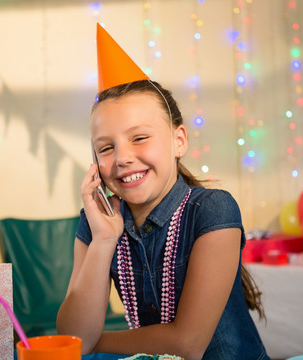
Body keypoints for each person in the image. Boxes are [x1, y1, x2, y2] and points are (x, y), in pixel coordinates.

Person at [56, 24, 270, 360]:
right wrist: (102, 242)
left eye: (139, 138)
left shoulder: (213, 210)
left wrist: (96, 342)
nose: (123, 157)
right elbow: (73, 334)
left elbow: (187, 345)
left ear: (179, 140)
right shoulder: (98, 223)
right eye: (106, 147)